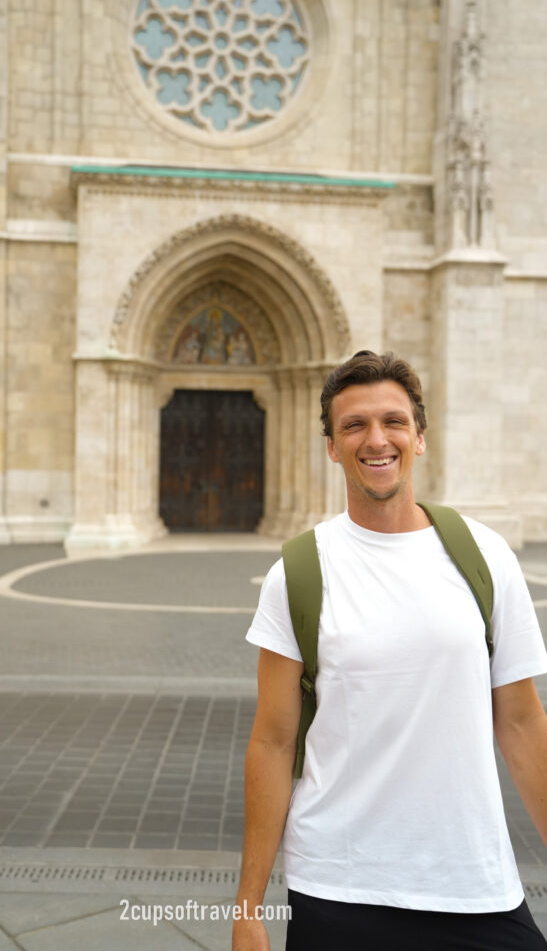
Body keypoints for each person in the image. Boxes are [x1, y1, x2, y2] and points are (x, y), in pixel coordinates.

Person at [233, 350, 547, 951]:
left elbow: (523, 721)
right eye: (354, 425)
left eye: (394, 421)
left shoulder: (486, 557)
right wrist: (249, 908)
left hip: (474, 884)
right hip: (337, 885)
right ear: (331, 446)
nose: (376, 439)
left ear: (420, 437)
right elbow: (272, 741)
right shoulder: (298, 573)